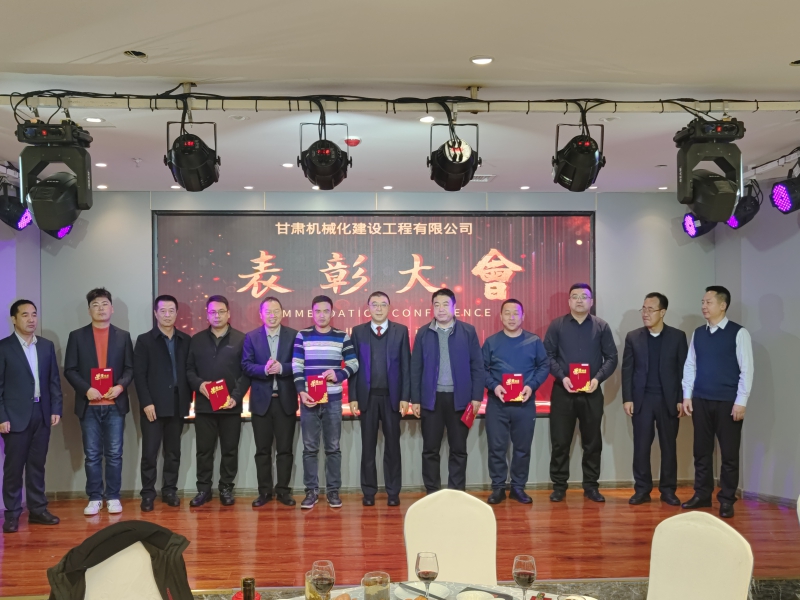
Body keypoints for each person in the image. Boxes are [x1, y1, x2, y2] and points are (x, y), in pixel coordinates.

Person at [681, 286, 753, 519]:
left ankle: (727, 499)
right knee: (701, 452)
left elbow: (747, 370)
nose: (704, 306)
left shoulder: (739, 333)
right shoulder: (698, 333)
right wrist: (687, 395)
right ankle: (702, 494)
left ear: (723, 305)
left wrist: (741, 401)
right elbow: (690, 365)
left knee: (729, 454)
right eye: (703, 302)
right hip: (701, 400)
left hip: (728, 403)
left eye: (709, 302)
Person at [543, 283, 618, 503]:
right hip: (563, 391)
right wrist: (562, 377)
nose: (579, 300)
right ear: (569, 301)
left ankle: (591, 487)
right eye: (574, 296)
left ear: (591, 302)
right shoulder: (557, 325)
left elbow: (612, 357)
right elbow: (547, 355)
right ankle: (559, 487)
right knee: (560, 442)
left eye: (584, 296)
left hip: (591, 392)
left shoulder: (601, 326)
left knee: (592, 442)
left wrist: (597, 379)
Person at [64, 288, 134, 516]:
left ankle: (113, 496)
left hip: (114, 405)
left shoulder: (123, 336)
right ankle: (95, 497)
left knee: (114, 454)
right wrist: (87, 389)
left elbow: (130, 368)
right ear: (89, 310)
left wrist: (120, 386)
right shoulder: (77, 336)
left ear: (111, 308)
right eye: (95, 305)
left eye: (104, 304)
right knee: (92, 455)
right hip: (89, 406)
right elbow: (70, 369)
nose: (100, 308)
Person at [410, 288, 484, 493]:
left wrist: (477, 396)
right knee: (430, 449)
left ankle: (456, 493)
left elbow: (477, 366)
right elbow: (415, 368)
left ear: (454, 306)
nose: (441, 309)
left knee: (458, 449)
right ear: (432, 308)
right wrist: (415, 399)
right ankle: (432, 492)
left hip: (460, 400)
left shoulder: (468, 331)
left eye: (445, 304)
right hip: (431, 400)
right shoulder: (423, 333)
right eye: (437, 305)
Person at [0, 300, 63, 533]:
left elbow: (53, 380)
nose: (31, 319)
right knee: (14, 468)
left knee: (37, 466)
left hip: (42, 413)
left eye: (34, 314)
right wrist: (2, 416)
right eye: (25, 315)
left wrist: (56, 408)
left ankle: (38, 510)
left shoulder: (46, 346)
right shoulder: (4, 347)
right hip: (14, 417)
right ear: (14, 319)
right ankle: (12, 514)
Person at [292, 295, 359, 509]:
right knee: (310, 448)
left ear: (332, 313)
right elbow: (297, 365)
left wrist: (339, 375)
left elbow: (354, 363)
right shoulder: (302, 335)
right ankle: (311, 491)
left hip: (333, 400)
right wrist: (301, 392)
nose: (322, 315)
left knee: (333, 447)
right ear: (312, 313)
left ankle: (333, 491)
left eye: (326, 311)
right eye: (318, 311)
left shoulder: (342, 336)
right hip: (309, 400)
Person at [621, 293, 688, 506]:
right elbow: (627, 370)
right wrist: (627, 398)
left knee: (669, 447)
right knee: (641, 447)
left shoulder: (677, 337)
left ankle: (668, 490)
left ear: (662, 312)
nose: (645, 313)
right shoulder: (633, 337)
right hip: (642, 400)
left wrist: (682, 398)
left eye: (650, 309)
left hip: (669, 400)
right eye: (643, 309)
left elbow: (683, 370)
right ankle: (642, 489)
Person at [482, 299, 549, 504]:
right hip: (497, 404)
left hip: (524, 404)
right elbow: (481, 369)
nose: (511, 317)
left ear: (523, 316)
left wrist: (531, 386)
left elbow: (544, 366)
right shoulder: (491, 342)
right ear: (501, 316)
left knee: (522, 448)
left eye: (516, 313)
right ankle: (498, 488)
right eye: (507, 313)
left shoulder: (534, 341)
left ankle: (518, 487)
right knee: (497, 448)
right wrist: (495, 386)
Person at [186, 295, 250, 507]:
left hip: (230, 406)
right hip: (204, 406)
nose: (217, 316)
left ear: (228, 313)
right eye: (212, 312)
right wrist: (200, 385)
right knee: (204, 451)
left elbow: (246, 373)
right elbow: (189, 370)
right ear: (207, 315)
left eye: (221, 311)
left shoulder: (241, 339)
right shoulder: (196, 340)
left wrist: (236, 397)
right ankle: (203, 490)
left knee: (229, 450)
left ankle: (226, 488)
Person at [349, 291, 411, 507]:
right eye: (374, 304)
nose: (378, 308)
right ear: (368, 307)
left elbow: (406, 366)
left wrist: (405, 397)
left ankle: (393, 492)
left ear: (389, 307)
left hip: (392, 398)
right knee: (368, 447)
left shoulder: (400, 331)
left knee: (393, 447)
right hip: (367, 398)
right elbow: (353, 367)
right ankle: (369, 492)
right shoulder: (358, 332)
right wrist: (353, 396)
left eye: (383, 304)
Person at [133, 294, 191, 512]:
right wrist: (146, 403)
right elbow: (139, 375)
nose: (167, 315)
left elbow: (190, 372)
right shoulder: (145, 341)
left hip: (177, 403)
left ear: (177, 313)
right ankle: (148, 494)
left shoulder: (185, 340)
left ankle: (169, 491)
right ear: (155, 314)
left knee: (173, 452)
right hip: (153, 406)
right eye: (163, 311)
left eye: (171, 311)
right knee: (149, 453)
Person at [242, 296, 299, 507]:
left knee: (285, 450)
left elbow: (300, 363)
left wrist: (283, 368)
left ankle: (283, 491)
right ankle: (264, 491)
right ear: (261, 314)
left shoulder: (294, 335)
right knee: (262, 451)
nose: (272, 315)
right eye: (268, 311)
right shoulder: (251, 337)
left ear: (282, 313)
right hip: (261, 402)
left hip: (285, 401)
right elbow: (246, 365)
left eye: (276, 311)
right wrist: (264, 369)